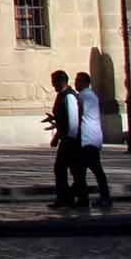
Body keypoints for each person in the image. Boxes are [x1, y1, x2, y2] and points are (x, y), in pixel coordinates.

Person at [46, 68, 86, 209]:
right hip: (67, 138)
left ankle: (67, 198)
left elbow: (73, 120)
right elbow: (63, 118)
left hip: (71, 140)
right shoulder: (62, 95)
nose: (53, 85)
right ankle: (75, 198)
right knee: (72, 170)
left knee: (64, 169)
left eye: (54, 82)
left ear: (61, 82)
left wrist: (66, 139)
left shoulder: (69, 96)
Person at [74, 71, 111, 207]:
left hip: (87, 138)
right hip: (93, 137)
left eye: (78, 81)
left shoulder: (83, 96)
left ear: (84, 82)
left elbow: (77, 116)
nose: (75, 83)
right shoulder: (91, 95)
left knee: (92, 169)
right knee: (83, 169)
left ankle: (102, 197)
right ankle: (84, 197)